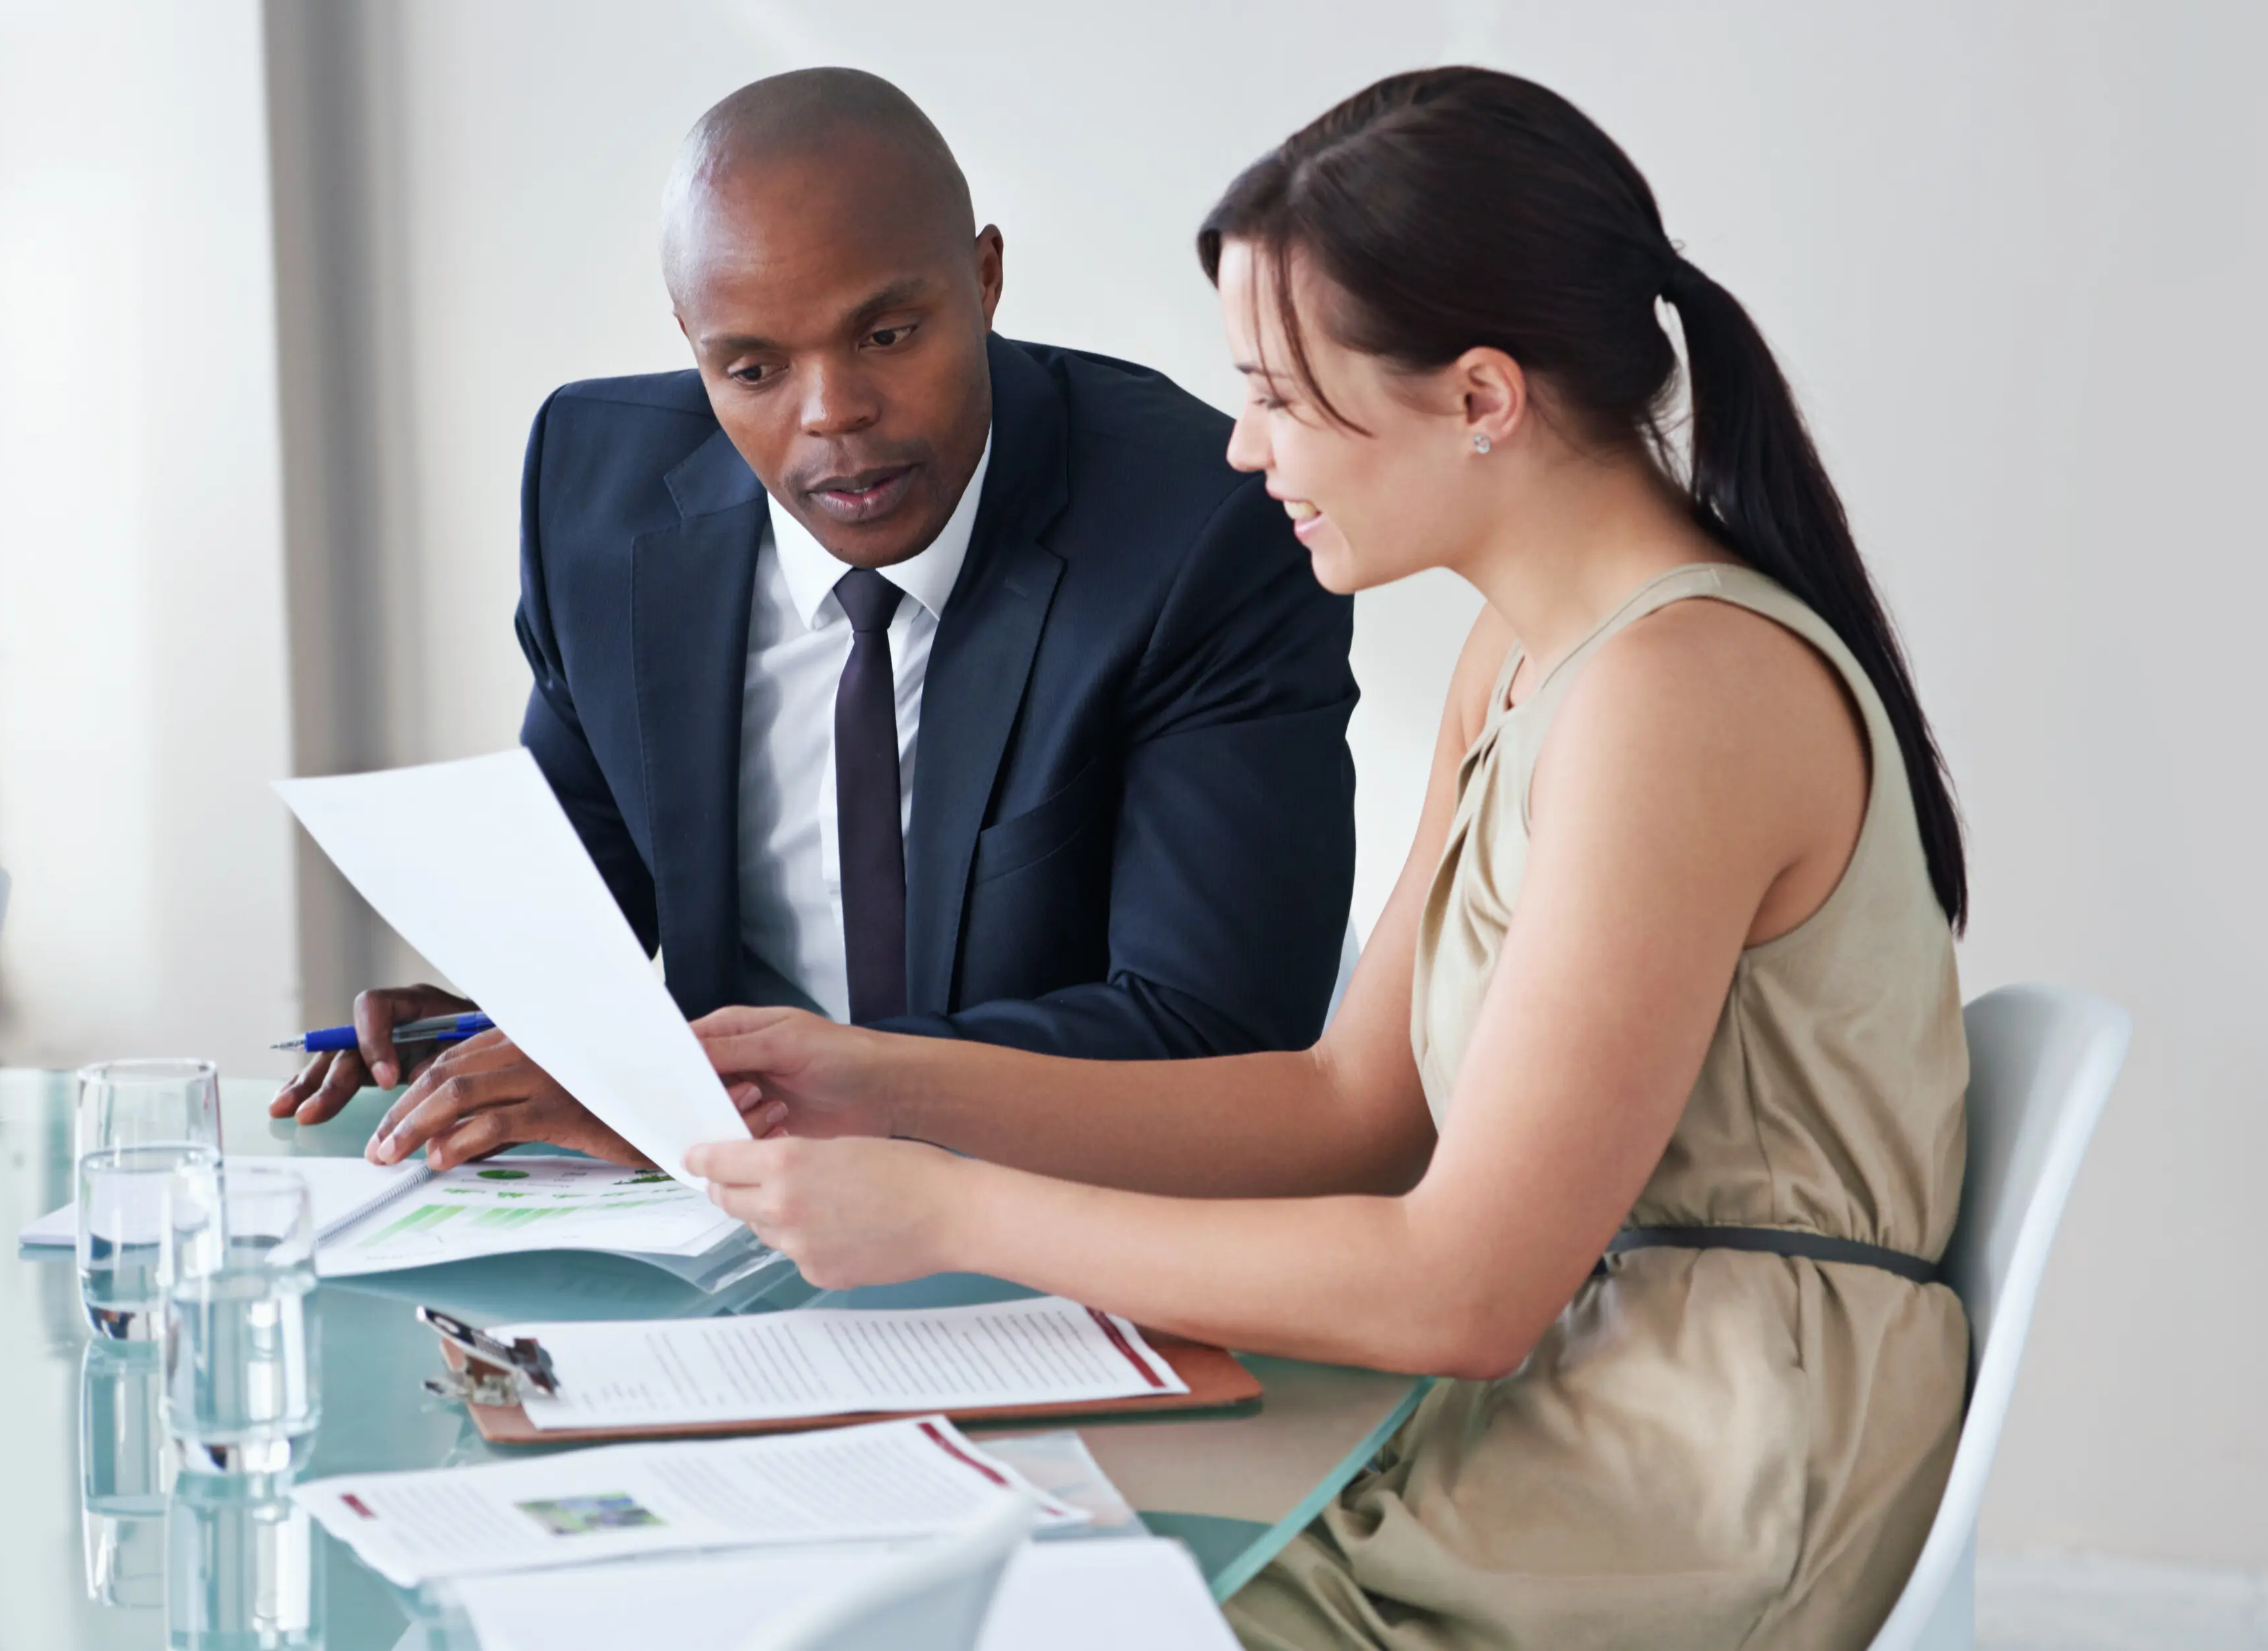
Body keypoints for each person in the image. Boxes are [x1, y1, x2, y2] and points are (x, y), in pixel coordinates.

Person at [678, 67, 1973, 1651]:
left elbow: (1466, 1291)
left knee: (980, 1598)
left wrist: (948, 1211)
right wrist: (878, 1079)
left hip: (1683, 1475)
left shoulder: (1679, 694)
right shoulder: (1530, 652)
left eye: (1281, 395)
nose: (1242, 448)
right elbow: (1349, 1110)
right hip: (1544, 1409)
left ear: (1482, 399)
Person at [272, 69, 1357, 1166]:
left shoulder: (1200, 535)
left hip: (1044, 1238)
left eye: (887, 335)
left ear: (982, 280)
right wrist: (490, 1035)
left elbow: (1217, 1040)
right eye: (752, 367)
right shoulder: (598, 500)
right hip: (722, 1243)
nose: (832, 411)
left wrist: (717, 1091)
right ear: (693, 342)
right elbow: (586, 926)